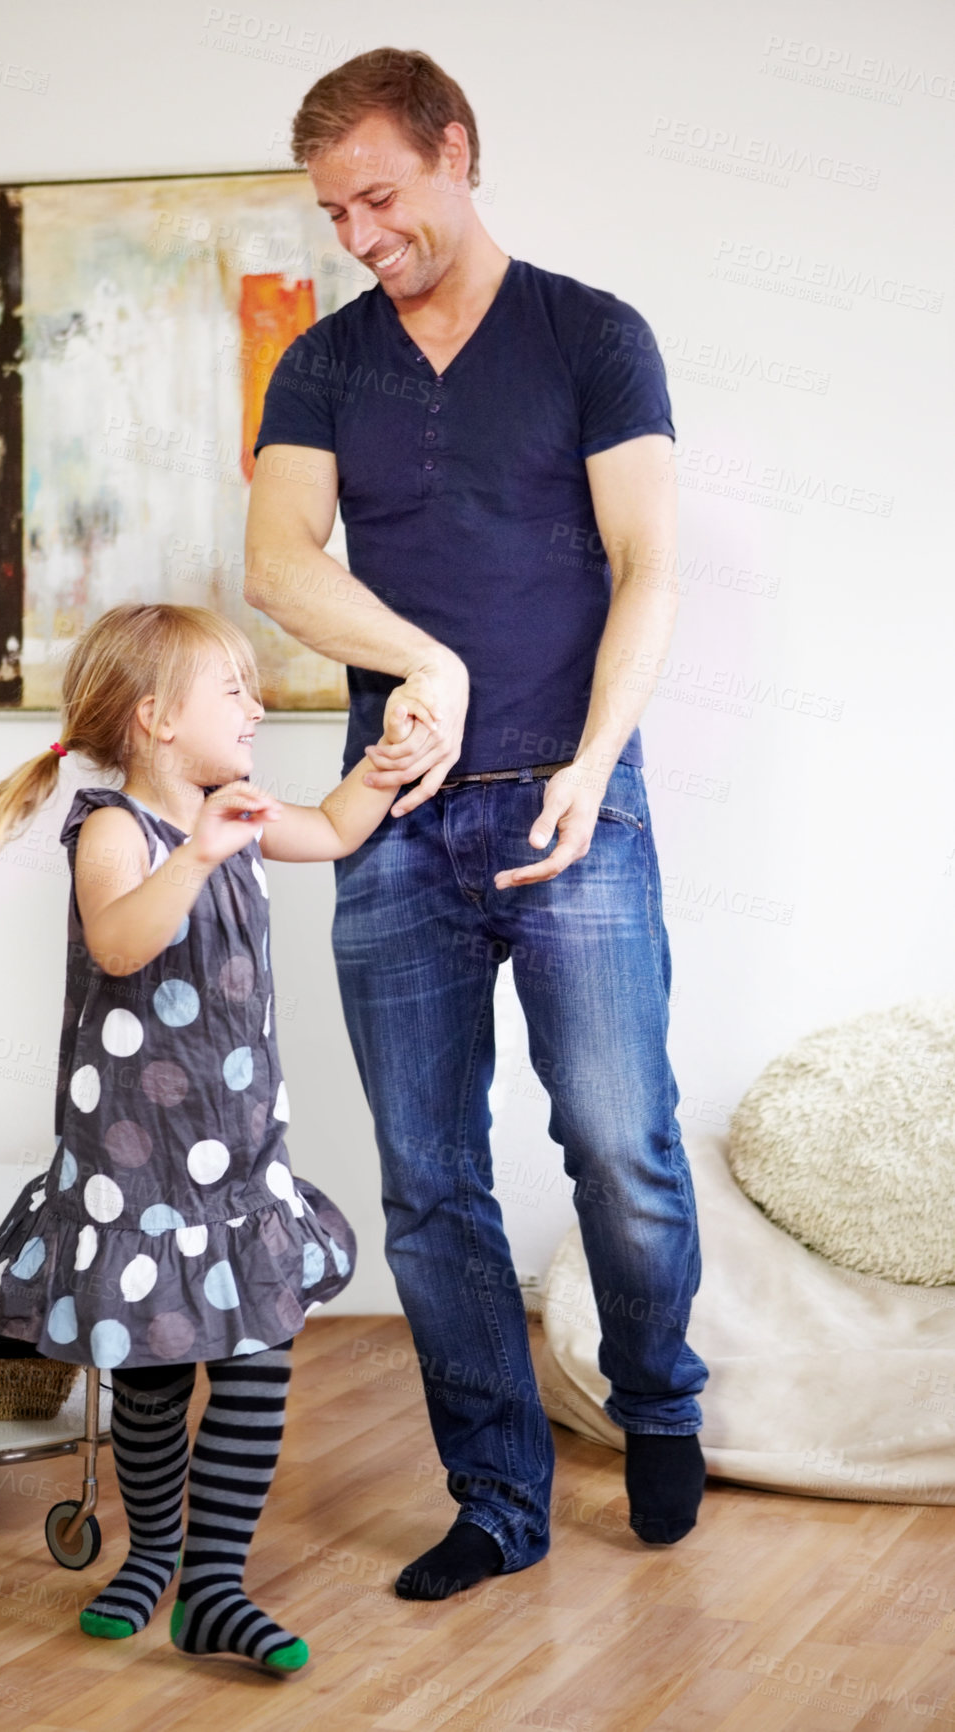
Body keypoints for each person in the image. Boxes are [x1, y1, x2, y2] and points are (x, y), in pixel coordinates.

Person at [245, 48, 710, 1600]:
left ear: (458, 151)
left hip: (571, 801)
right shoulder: (320, 365)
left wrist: (593, 761)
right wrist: (423, 660)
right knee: (429, 1181)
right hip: (394, 826)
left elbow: (646, 563)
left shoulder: (592, 336)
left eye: (380, 196)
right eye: (335, 212)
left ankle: (655, 1399)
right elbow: (280, 563)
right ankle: (498, 1500)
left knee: (615, 1146)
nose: (359, 233)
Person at [0, 602, 404, 1673]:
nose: (256, 702)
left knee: (258, 1358)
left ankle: (214, 1584)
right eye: (231, 687)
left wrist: (380, 767)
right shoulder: (113, 828)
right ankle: (152, 1553)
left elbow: (326, 828)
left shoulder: (240, 807)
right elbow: (121, 939)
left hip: (235, 1162)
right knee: (146, 1369)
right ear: (154, 721)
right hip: (134, 1169)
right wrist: (194, 857)